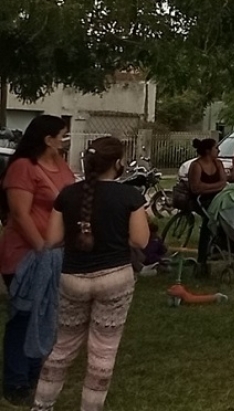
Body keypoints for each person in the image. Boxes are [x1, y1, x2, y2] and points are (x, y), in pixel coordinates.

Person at [33, 136, 149, 411]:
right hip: (115, 279)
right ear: (119, 163)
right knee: (102, 353)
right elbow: (140, 241)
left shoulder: (68, 195)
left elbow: (52, 239)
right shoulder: (130, 196)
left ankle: (42, 405)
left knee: (61, 348)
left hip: (72, 278)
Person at [0, 115, 74, 405]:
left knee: (45, 314)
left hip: (57, 253)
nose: (65, 141)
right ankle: (16, 380)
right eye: (62, 136)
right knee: (23, 316)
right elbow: (20, 214)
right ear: (47, 139)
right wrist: (41, 247)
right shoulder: (23, 168)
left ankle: (34, 373)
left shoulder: (61, 165)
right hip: (26, 255)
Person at [188, 138, 229, 272]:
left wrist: (208, 187)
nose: (218, 150)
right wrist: (216, 187)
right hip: (200, 200)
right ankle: (202, 259)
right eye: (216, 148)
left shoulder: (218, 164)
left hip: (217, 197)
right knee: (208, 220)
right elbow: (195, 188)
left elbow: (224, 182)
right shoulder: (196, 166)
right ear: (207, 150)